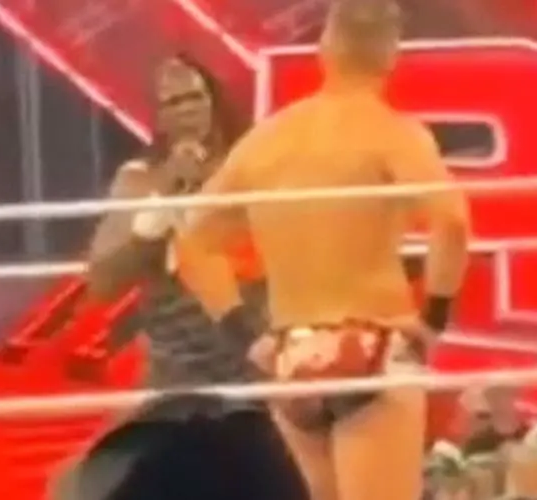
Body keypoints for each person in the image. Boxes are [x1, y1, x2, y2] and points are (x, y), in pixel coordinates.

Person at [182, 1, 471, 499]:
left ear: (324, 49)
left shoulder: (265, 142)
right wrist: (433, 320)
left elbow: (191, 243)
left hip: (293, 354)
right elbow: (452, 221)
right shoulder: (392, 134)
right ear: (391, 56)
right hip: (371, 343)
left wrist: (246, 335)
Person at [53, 54, 306, 500]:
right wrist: (159, 207)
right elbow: (103, 283)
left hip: (256, 378)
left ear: (214, 101)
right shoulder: (140, 180)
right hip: (172, 386)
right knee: (75, 486)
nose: (187, 110)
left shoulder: (249, 170)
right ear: (158, 117)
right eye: (173, 102)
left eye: (195, 97)